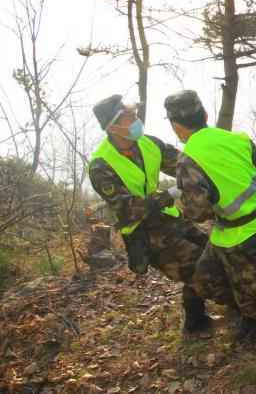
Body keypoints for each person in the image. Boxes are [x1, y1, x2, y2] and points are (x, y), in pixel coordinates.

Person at [164, 90, 256, 342]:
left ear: (176, 127)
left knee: (250, 288)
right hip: (241, 225)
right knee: (208, 279)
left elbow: (198, 212)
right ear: (205, 115)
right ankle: (249, 308)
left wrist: (179, 201)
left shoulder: (188, 160)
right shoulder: (236, 138)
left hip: (246, 233)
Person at [89, 95, 230, 335]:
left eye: (135, 114)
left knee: (213, 253)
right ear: (112, 127)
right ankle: (242, 308)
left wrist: (216, 168)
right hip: (144, 233)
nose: (136, 120)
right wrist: (170, 193)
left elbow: (184, 163)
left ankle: (195, 320)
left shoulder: (149, 143)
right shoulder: (101, 165)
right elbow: (127, 207)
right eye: (129, 117)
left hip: (170, 217)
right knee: (200, 268)